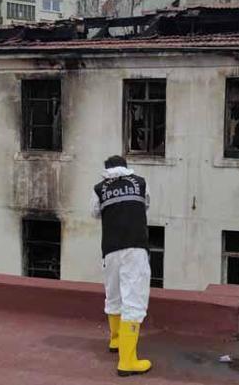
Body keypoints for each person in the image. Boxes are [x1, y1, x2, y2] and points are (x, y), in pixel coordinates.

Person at [91, 155, 152, 377]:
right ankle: (127, 361)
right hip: (135, 247)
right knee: (134, 300)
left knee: (114, 295)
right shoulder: (140, 182)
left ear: (106, 170)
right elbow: (145, 204)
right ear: (127, 168)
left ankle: (116, 340)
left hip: (110, 248)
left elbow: (94, 213)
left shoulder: (99, 188)